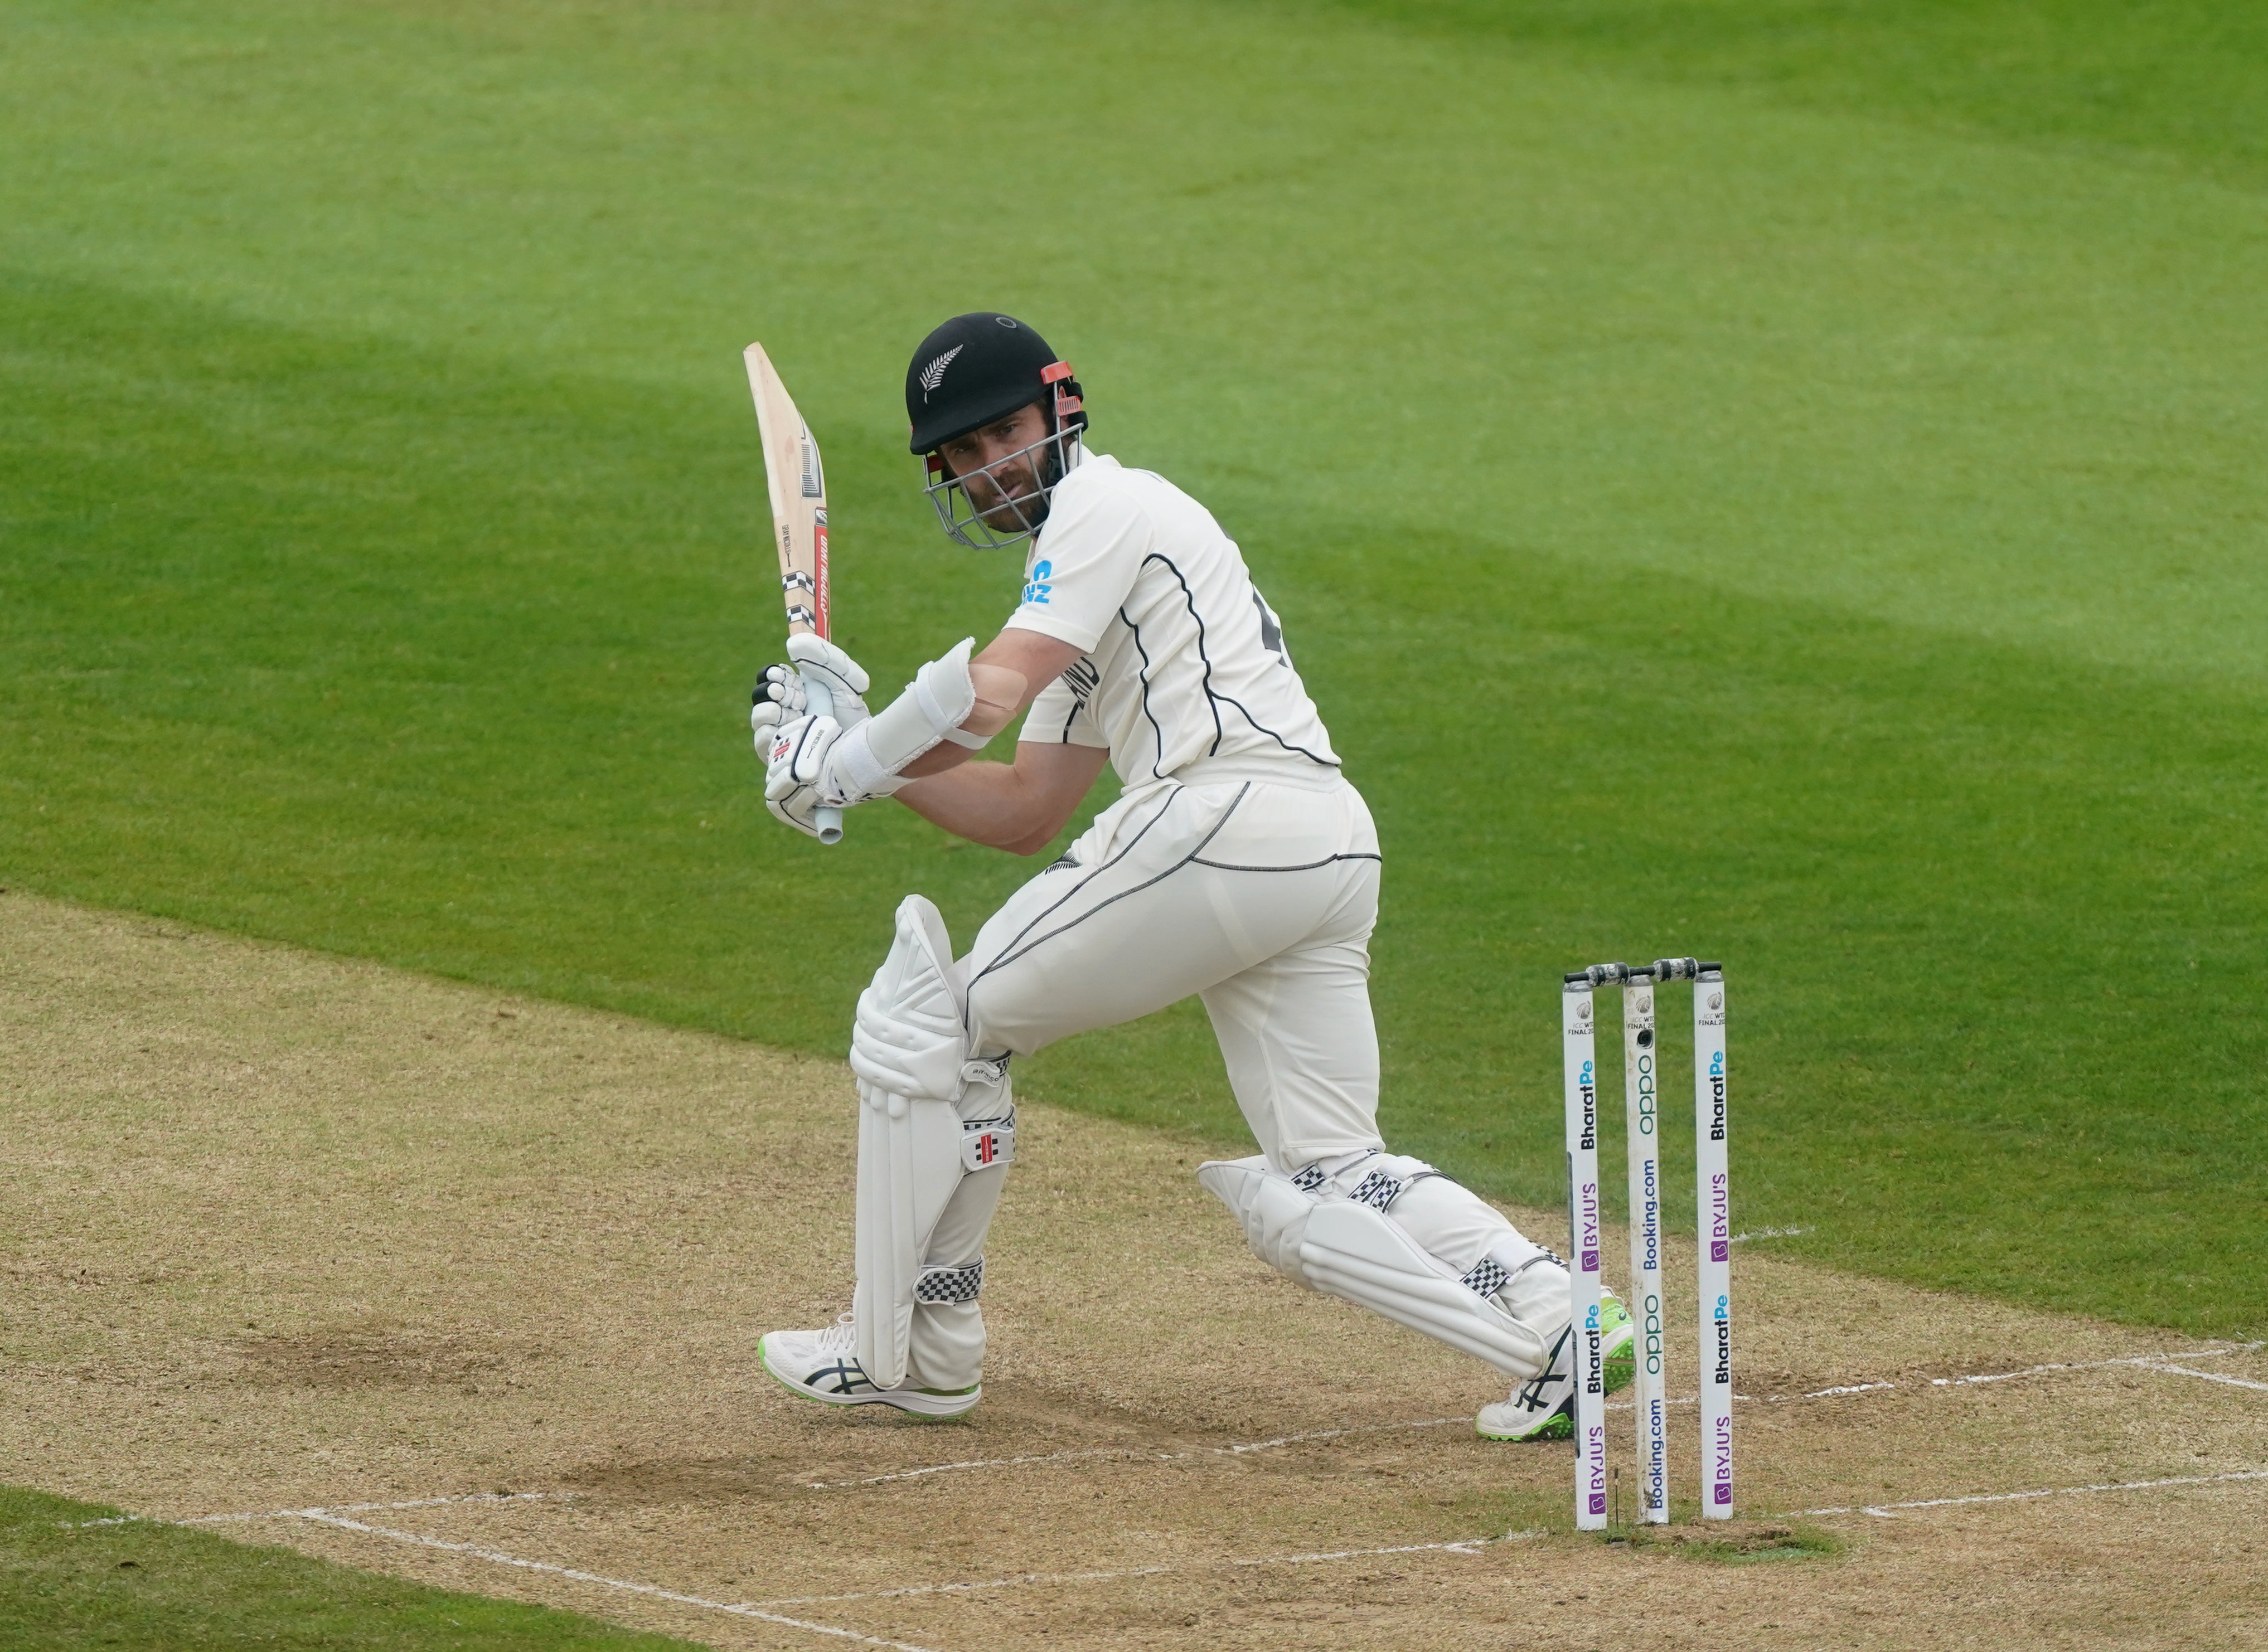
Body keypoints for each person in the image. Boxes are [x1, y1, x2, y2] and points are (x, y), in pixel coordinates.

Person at [750, 312, 1631, 1440]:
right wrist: (865, 769)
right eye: (961, 457)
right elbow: (1026, 807)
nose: (987, 468)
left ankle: (912, 1351)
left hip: (1227, 819)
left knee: (937, 1029)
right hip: (1319, 846)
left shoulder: (1107, 507)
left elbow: (983, 695)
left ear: (1062, 409)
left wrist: (841, 763)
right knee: (1328, 1166)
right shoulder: (1081, 585)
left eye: (1002, 434)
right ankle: (1564, 1321)